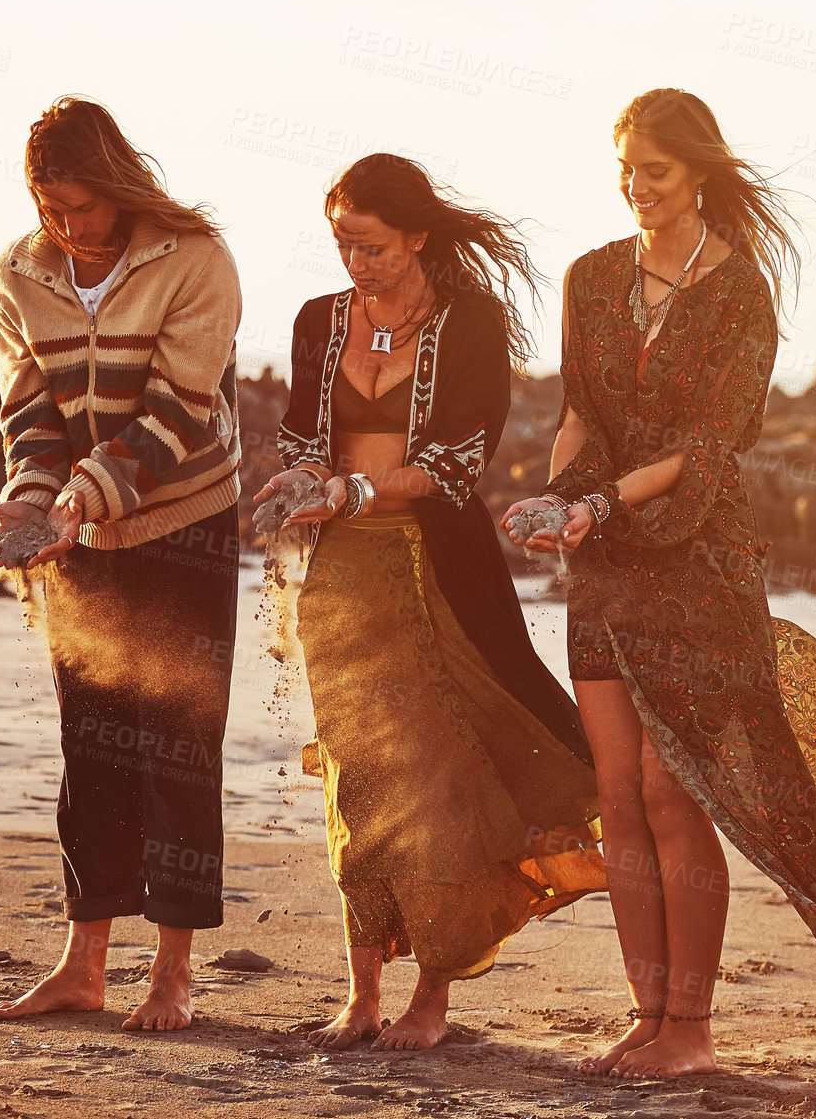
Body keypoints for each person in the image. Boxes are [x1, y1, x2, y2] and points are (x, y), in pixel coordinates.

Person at [502, 88, 816, 1077]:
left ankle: (695, 1030)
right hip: (602, 559)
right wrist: (556, 501)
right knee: (618, 795)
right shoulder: (589, 277)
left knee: (674, 794)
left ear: (700, 171)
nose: (636, 189)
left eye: (655, 173)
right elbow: (580, 410)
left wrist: (602, 507)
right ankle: (647, 1012)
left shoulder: (740, 289)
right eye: (625, 169)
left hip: (698, 560)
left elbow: (709, 446)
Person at [255, 153, 606, 1052]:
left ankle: (431, 1000)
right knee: (357, 777)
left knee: (439, 778)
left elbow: (460, 460)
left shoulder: (473, 323)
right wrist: (300, 481)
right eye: (342, 245)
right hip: (337, 578)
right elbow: (304, 432)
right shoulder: (318, 321)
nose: (356, 263)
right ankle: (362, 992)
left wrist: (358, 493)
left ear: (416, 236)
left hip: (435, 569)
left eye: (371, 246)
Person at [0, 96, 243, 1032]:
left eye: (81, 207)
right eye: (49, 207)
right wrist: (36, 500)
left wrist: (83, 495)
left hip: (185, 522)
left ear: (119, 188)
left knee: (178, 742)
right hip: (76, 535)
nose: (66, 226)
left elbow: (177, 409)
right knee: (92, 743)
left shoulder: (196, 261)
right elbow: (29, 411)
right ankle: (84, 964)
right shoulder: (19, 271)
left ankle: (173, 971)